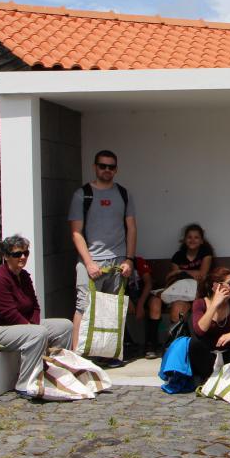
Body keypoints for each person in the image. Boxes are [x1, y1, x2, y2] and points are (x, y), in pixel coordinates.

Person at [0, 235, 73, 396]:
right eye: (17, 254)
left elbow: (35, 307)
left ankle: (53, 373)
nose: (22, 257)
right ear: (6, 257)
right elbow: (9, 314)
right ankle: (25, 384)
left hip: (23, 326)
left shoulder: (23, 276)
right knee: (38, 333)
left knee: (65, 326)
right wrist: (34, 329)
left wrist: (34, 325)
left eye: (25, 253)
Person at [68, 149, 136, 364]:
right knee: (83, 306)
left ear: (116, 169)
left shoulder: (124, 194)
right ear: (95, 167)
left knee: (112, 308)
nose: (107, 170)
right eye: (102, 166)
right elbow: (76, 232)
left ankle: (109, 353)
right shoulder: (82, 194)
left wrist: (129, 259)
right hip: (92, 262)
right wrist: (88, 263)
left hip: (118, 262)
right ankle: (78, 354)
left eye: (111, 166)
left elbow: (132, 228)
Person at [144, 223, 214, 358]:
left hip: (194, 292)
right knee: (154, 303)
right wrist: (189, 273)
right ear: (184, 240)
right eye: (189, 237)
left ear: (201, 240)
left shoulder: (205, 253)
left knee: (178, 307)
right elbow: (174, 276)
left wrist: (182, 271)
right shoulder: (178, 256)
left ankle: (174, 345)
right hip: (175, 290)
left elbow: (203, 275)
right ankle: (151, 345)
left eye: (196, 237)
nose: (192, 240)